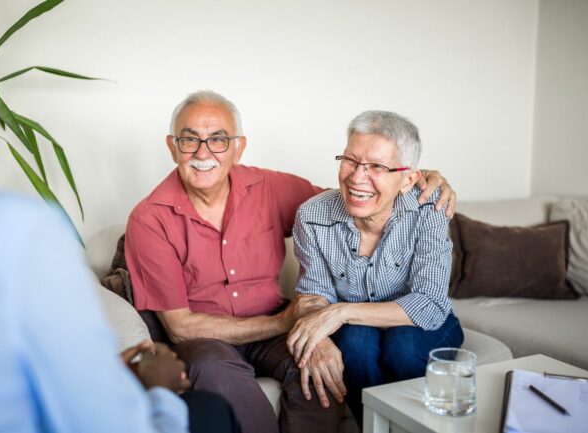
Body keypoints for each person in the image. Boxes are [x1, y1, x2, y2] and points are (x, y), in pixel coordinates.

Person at [0, 2, 239, 432]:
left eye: (218, 141)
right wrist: (156, 391)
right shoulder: (12, 233)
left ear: (237, 148)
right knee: (208, 411)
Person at [124, 91, 458, 433]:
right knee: (216, 371)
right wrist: (289, 322)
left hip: (275, 325)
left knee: (317, 368)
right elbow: (181, 327)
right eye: (189, 139)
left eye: (218, 140)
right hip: (206, 340)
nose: (203, 152)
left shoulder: (270, 188)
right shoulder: (149, 220)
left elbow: (358, 195)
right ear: (172, 145)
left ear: (239, 147)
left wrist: (418, 178)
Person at [285, 111, 465, 425]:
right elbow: (315, 296)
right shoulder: (312, 216)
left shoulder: (430, 206)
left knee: (403, 348)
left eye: (377, 167)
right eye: (350, 160)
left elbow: (430, 303)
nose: (357, 178)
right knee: (355, 344)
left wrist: (341, 312)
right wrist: (328, 320)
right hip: (359, 328)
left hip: (419, 324)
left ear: (408, 179)